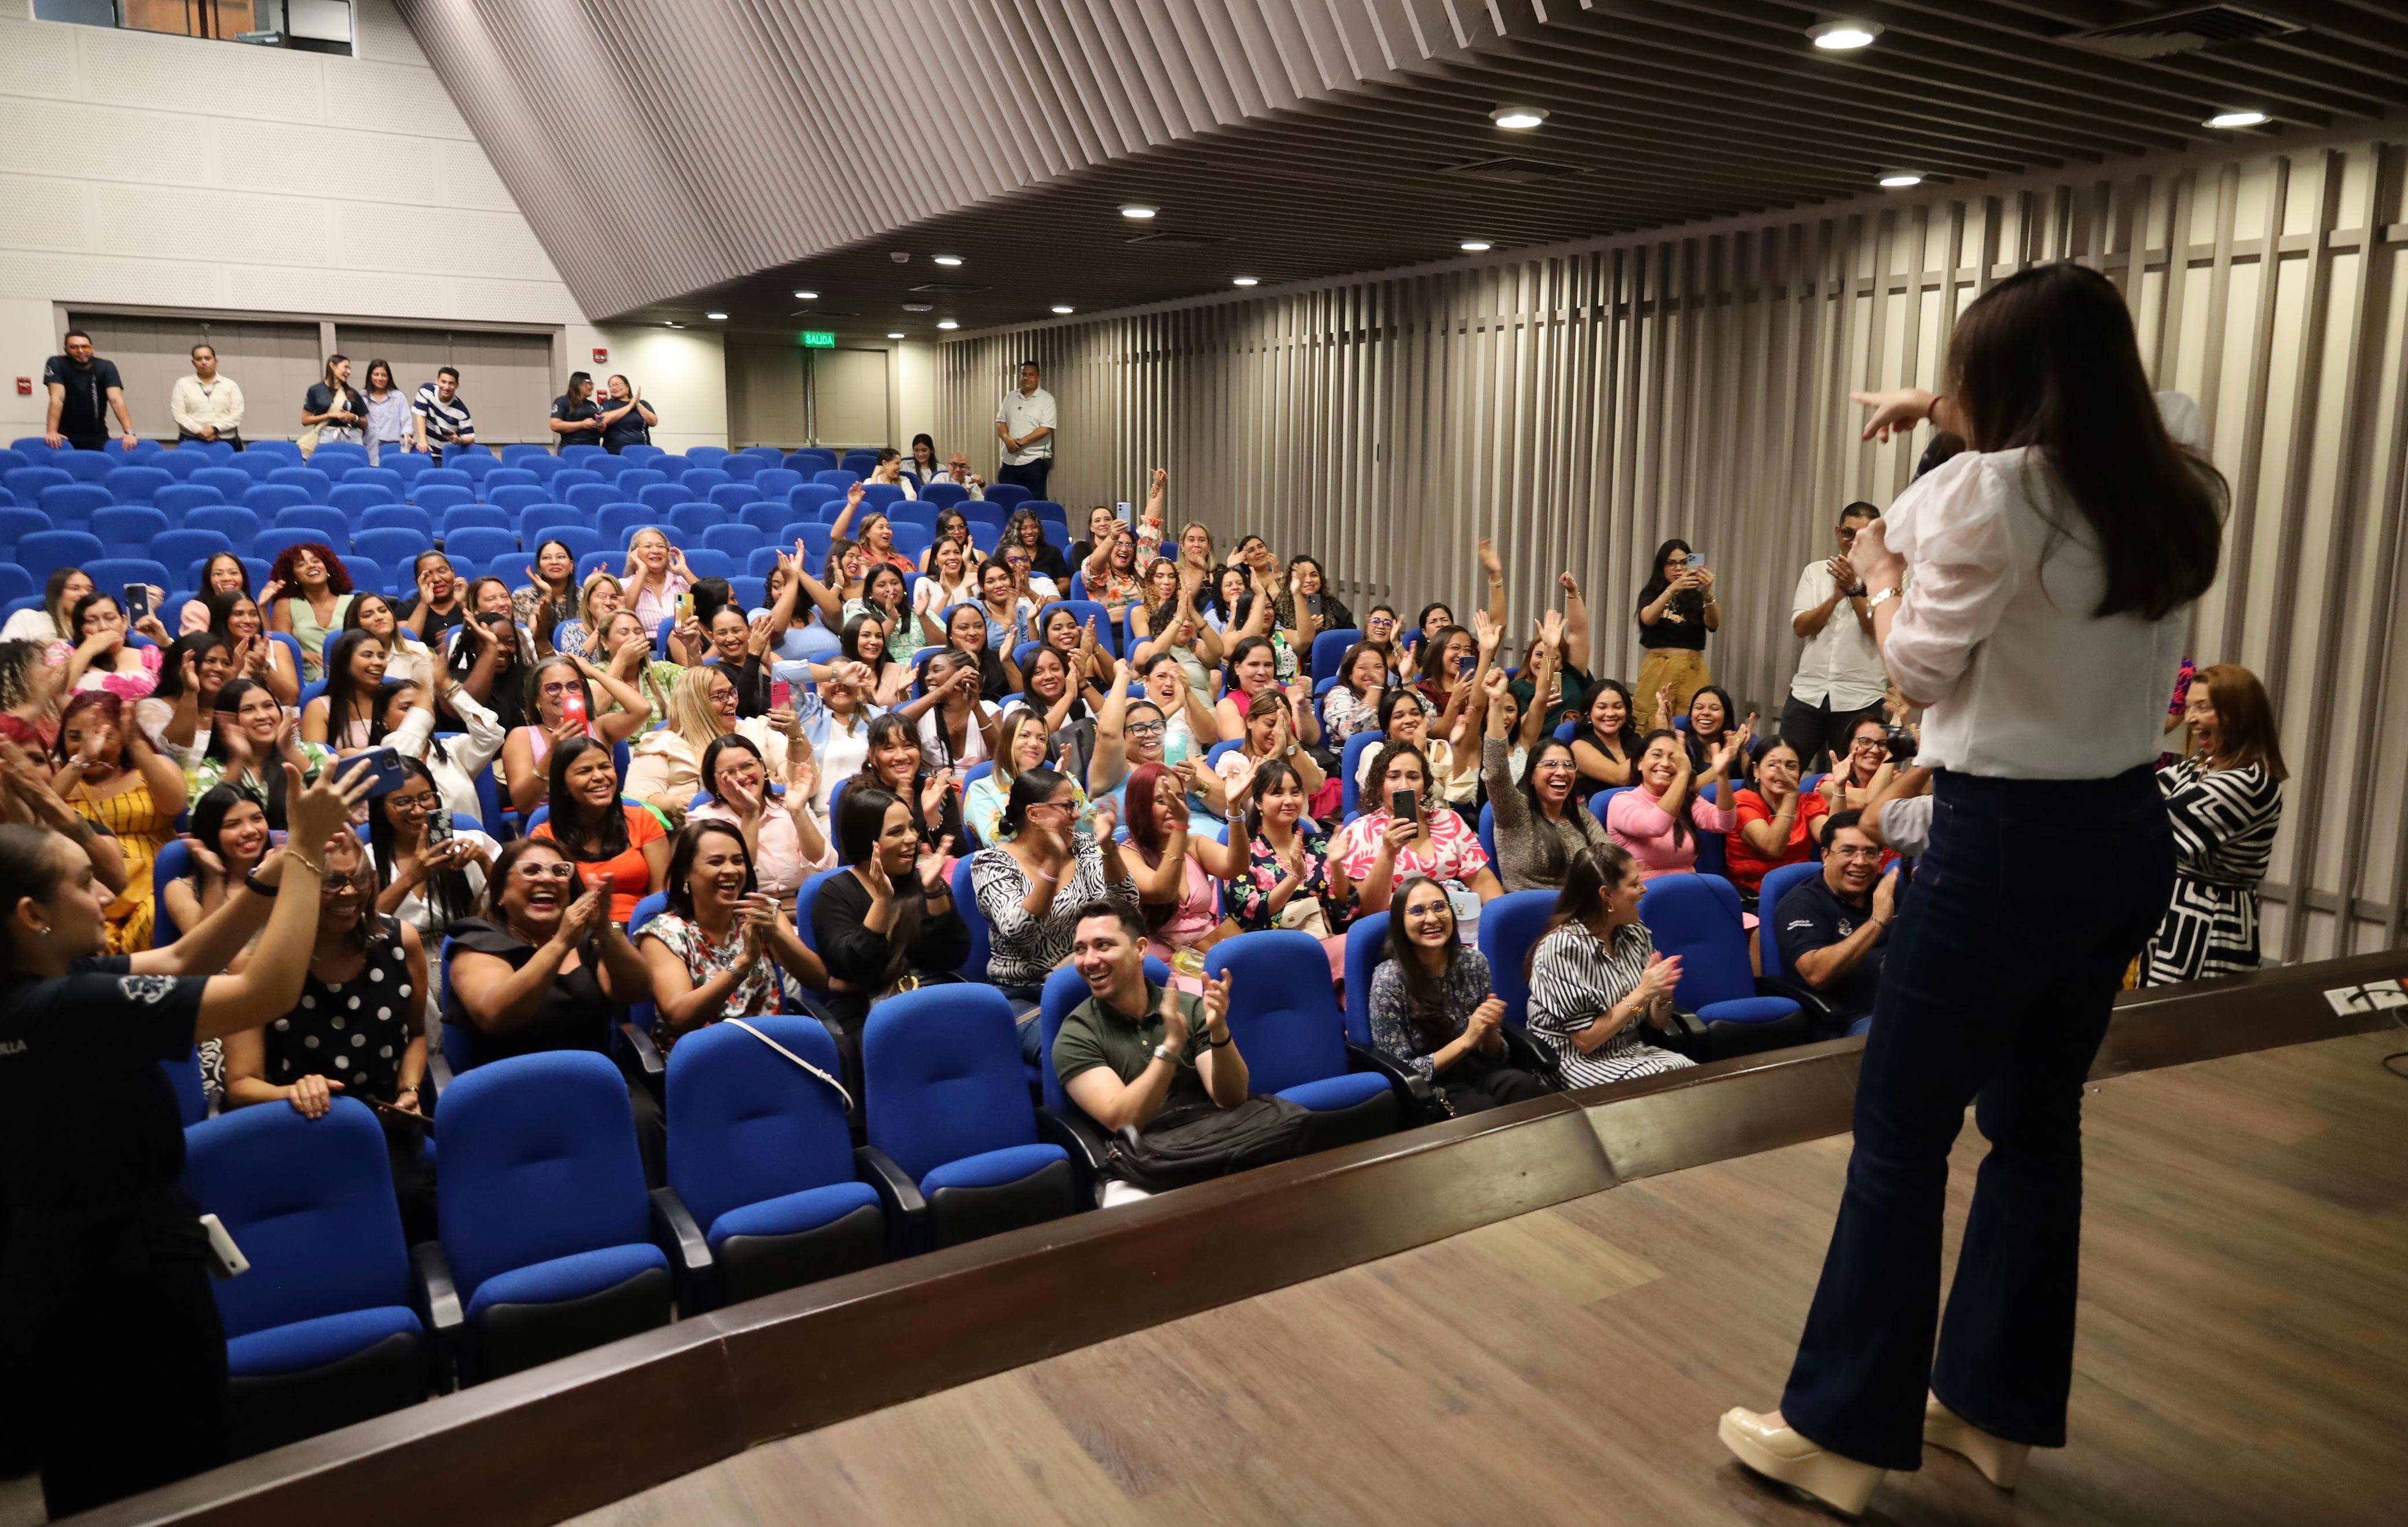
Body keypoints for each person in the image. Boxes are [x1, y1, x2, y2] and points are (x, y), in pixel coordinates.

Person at [1718, 263, 2229, 1515]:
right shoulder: (2169, 479)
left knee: (1900, 1133)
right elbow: (2136, 397)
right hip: (2121, 832)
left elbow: (1923, 676)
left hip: (1998, 836)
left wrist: (1880, 568)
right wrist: (1939, 401)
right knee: (2036, 1125)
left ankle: (1835, 1429)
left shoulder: (1986, 496)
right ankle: (1990, 1407)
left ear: (2003, 388)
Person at [0, 752, 366, 1517]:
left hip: (47, 1268)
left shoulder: (40, 994)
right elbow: (267, 990)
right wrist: (305, 854)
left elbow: (176, 957)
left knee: (92, 1470)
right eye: (80, 881)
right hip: (124, 1272)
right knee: (178, 1470)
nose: (105, 891)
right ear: (32, 916)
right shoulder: (70, 1011)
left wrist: (269, 874)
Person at [221, 830, 434, 1242]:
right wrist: (296, 1093)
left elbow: (416, 1036)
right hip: (299, 1125)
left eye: (360, 878)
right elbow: (240, 1086)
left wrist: (409, 1088)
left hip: (382, 1120)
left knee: (409, 1203)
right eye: (333, 882)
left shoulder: (399, 941)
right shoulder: (257, 963)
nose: (351, 892)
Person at [441, 838, 660, 1173]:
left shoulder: (590, 940)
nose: (547, 878)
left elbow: (637, 991)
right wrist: (559, 943)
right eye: (531, 870)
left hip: (596, 1085)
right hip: (514, 1094)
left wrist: (605, 929)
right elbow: (495, 1015)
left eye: (560, 872)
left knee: (643, 1116)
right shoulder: (477, 943)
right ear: (500, 892)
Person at [1056, 901, 1247, 1206]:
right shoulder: (1075, 1034)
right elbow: (1125, 1120)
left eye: (1103, 945)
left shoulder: (1188, 1006)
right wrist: (1170, 1047)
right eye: (1080, 949)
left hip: (1214, 1137)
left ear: (1141, 948)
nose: (1089, 960)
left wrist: (1219, 1031)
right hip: (1144, 1163)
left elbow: (1231, 1098)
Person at [2139, 662, 2285, 985]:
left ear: (2239, 713)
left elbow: (2151, 828)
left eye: (2203, 707)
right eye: (2189, 707)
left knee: (2185, 1024)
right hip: (2173, 914)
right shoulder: (2198, 768)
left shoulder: (2252, 782)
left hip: (2211, 922)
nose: (2190, 719)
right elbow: (2134, 797)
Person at [812, 784, 968, 1081]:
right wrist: (883, 901)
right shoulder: (834, 893)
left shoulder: (923, 881)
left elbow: (953, 955)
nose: (911, 838)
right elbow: (858, 968)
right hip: (866, 1013)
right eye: (896, 832)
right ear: (868, 842)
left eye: (912, 827)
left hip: (929, 999)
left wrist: (935, 893)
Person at [636, 820, 827, 1056]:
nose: (731, 870)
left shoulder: (762, 914)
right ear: (686, 872)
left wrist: (776, 933)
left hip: (772, 1050)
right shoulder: (664, 933)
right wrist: (744, 962)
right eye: (716, 862)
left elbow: (817, 980)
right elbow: (680, 1017)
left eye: (738, 861)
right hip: (704, 1060)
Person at [1368, 876, 1552, 1112]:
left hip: (1480, 1071)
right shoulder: (1388, 980)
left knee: (1526, 1088)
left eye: (1439, 907)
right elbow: (1403, 1072)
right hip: (1432, 1088)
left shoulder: (1473, 962)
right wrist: (1466, 1040)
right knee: (1484, 1114)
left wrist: (1488, 1032)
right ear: (1400, 923)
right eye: (1417, 911)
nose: (1432, 918)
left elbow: (1495, 1055)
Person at [971, 768, 1135, 1028]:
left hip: (1090, 981)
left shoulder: (1084, 846)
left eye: (1076, 805)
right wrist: (1053, 865)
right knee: (1084, 1050)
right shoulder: (992, 863)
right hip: (1026, 997)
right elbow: (1020, 931)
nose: (1077, 815)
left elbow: (1126, 906)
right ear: (1034, 814)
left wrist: (1107, 849)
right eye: (1067, 807)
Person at [1525, 845, 1697, 1088]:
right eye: (1635, 884)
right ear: (1607, 895)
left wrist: (1663, 996)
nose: (1644, 889)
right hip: (1571, 1061)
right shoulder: (1562, 948)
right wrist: (1643, 992)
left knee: (1694, 1077)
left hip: (1630, 1051)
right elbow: (1586, 1041)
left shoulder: (1634, 933)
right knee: (1662, 1089)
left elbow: (1657, 1023)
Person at [53, 692, 188, 951]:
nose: (90, 744)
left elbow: (175, 804)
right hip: (90, 889)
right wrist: (80, 761)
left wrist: (136, 742)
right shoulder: (62, 780)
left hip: (153, 884)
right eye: (74, 737)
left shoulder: (152, 767)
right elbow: (42, 811)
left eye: (103, 735)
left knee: (157, 914)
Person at [1332, 739, 1502, 916]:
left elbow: (1481, 881)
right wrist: (1388, 853)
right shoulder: (1360, 831)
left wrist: (1500, 918)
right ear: (1380, 784)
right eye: (1393, 777)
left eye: (1413, 777)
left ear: (1425, 784)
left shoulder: (1449, 819)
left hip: (1454, 920)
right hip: (1396, 928)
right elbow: (1368, 911)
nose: (1404, 786)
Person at [1481, 669, 1613, 893]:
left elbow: (1610, 861)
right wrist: (1495, 702)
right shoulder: (1514, 811)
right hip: (1529, 914)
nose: (1561, 772)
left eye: (1568, 765)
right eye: (1551, 765)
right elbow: (1495, 771)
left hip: (1579, 912)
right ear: (1531, 776)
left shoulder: (1580, 815)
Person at [1782, 502, 1888, 769]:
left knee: (1855, 780)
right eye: (1848, 533)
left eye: (1863, 536)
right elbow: (1801, 628)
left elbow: (1880, 631)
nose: (1854, 542)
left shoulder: (1890, 577)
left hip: (1860, 696)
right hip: (1809, 693)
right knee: (1784, 770)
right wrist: (1835, 598)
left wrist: (1854, 590)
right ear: (1838, 531)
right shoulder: (1815, 572)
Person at [1773, 810, 1896, 1038]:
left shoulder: (1888, 889)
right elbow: (1817, 974)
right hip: (1855, 1019)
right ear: (1826, 855)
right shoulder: (1801, 903)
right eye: (1848, 851)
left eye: (1870, 852)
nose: (1860, 862)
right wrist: (1877, 921)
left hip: (1909, 1002)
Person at [1121, 762, 1244, 989]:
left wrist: (1234, 809)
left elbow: (1235, 866)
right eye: (1161, 800)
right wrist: (1180, 827)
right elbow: (1162, 891)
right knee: (1219, 996)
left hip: (1211, 951)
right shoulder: (1127, 855)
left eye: (1178, 797)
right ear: (1140, 806)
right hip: (1165, 967)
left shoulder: (1193, 845)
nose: (1173, 805)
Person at [1225, 759, 1350, 979]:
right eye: (1277, 793)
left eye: (1295, 792)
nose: (1289, 801)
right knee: (1353, 949)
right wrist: (1295, 877)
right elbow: (1251, 914)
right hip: (1273, 952)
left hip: (1325, 942)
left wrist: (1337, 865)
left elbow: (1342, 907)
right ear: (1259, 803)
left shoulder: (1317, 843)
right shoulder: (1245, 854)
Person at [527, 736, 670, 924]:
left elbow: (661, 896)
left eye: (605, 767)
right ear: (563, 785)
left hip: (643, 929)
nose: (599, 776)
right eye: (585, 771)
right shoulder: (544, 837)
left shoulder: (644, 820)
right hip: (579, 932)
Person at [622, 663, 790, 821]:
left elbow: (800, 782)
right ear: (696, 705)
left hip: (772, 821)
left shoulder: (758, 728)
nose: (732, 701)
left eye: (733, 692)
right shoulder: (663, 744)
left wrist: (797, 736)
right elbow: (634, 797)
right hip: (702, 834)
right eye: (721, 696)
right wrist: (673, 803)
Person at [368, 757, 498, 945]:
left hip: (464, 958)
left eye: (425, 797)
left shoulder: (473, 842)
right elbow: (361, 929)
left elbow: (512, 909)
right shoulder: (368, 859)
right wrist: (411, 877)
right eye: (403, 802)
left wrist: (485, 862)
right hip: (399, 962)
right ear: (382, 807)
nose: (418, 810)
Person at [689, 732, 830, 899]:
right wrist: (750, 813)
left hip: (807, 907)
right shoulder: (703, 821)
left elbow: (827, 869)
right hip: (743, 914)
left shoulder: (791, 805)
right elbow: (735, 883)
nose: (741, 777)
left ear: (763, 767)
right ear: (714, 783)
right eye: (729, 772)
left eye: (747, 766)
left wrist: (798, 813)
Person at [1605, 727, 1744, 881]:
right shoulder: (1621, 801)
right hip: (1641, 896)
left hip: (1688, 890)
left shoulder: (1688, 800)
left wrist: (1722, 774)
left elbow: (1724, 823)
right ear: (1640, 763)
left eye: (1674, 759)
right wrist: (1684, 774)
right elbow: (1654, 826)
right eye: (1657, 755)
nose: (1665, 763)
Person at [190, 678, 331, 830]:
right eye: (248, 710)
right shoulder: (212, 768)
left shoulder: (312, 752)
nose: (263, 716)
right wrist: (238, 759)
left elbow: (333, 803)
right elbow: (203, 824)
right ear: (229, 720)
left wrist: (289, 750)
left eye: (268, 706)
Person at [158, 784, 271, 952]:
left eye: (257, 819)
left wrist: (271, 879)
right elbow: (204, 952)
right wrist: (214, 876)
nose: (250, 830)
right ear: (210, 833)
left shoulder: (282, 875)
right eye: (233, 825)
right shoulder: (181, 889)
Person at [1727, 736, 1833, 900]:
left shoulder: (1807, 802)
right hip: (1756, 896)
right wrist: (1791, 796)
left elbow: (1832, 838)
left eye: (1790, 766)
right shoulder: (1743, 801)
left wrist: (1839, 786)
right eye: (1773, 765)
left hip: (1804, 889)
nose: (1783, 772)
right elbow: (1773, 849)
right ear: (1756, 770)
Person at [1634, 538, 1717, 722]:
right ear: (1661, 567)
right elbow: (1648, 618)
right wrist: (1672, 590)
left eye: (1684, 563)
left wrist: (1708, 594)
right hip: (1659, 666)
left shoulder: (1697, 595)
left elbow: (1713, 624)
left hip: (1692, 667)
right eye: (1671, 563)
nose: (1678, 568)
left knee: (1693, 720)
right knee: (1651, 720)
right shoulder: (1652, 592)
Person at [857, 712, 962, 851]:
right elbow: (862, 861)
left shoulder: (936, 789)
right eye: (889, 748)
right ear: (873, 756)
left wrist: (932, 817)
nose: (901, 756)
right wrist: (900, 806)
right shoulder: (859, 797)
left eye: (908, 746)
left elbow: (961, 855)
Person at [263, 543, 355, 682]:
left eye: (316, 561)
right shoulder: (285, 605)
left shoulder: (353, 602)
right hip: (310, 681)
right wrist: (306, 655)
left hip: (352, 674)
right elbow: (278, 648)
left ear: (327, 568)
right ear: (293, 577)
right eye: (301, 564)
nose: (311, 566)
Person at [201, 590, 299, 708]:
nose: (248, 621)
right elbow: (211, 703)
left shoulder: (278, 647)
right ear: (223, 619)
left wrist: (264, 668)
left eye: (253, 614)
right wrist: (236, 669)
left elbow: (291, 699)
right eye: (238, 614)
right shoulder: (211, 653)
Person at [42, 329, 135, 452]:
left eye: (85, 347)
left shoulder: (106, 367)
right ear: (66, 350)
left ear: (92, 349)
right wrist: (52, 432)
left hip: (97, 435)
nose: (81, 351)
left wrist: (130, 433)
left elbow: (116, 399)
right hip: (64, 437)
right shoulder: (56, 363)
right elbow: (57, 398)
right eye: (74, 347)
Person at [63, 589, 167, 699]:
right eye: (91, 621)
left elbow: (175, 695)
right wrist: (89, 649)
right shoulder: (63, 653)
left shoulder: (150, 655)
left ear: (124, 623)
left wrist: (165, 643)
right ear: (79, 629)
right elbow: (58, 691)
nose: (103, 627)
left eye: (110, 618)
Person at [993, 358, 1057, 499]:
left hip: (1034, 461)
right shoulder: (1011, 397)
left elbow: (1046, 429)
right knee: (1006, 501)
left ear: (1038, 378)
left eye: (1031, 374)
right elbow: (1001, 422)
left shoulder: (1047, 399)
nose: (1027, 378)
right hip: (1010, 460)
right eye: (1024, 374)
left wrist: (1020, 443)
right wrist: (1007, 440)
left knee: (1032, 505)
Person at [1818, 713, 1896, 815]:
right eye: (1866, 741)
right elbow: (1868, 801)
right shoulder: (1830, 784)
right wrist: (1894, 751)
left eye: (1883, 744)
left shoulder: (1896, 778)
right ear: (1848, 745)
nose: (1875, 750)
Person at [169, 342, 243, 450]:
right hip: (192, 438)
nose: (203, 362)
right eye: (199, 359)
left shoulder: (230, 385)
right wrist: (199, 431)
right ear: (193, 363)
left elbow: (237, 414)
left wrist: (215, 429)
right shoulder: (182, 384)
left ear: (216, 361)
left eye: (207, 358)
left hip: (225, 439)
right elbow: (179, 414)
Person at [622, 527, 694, 634]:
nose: (656, 551)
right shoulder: (624, 585)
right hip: (645, 647)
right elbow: (624, 613)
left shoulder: (682, 582)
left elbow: (711, 605)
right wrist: (642, 571)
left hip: (684, 643)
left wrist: (685, 570)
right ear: (634, 554)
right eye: (648, 546)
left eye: (661, 546)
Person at [0, 638, 65, 752]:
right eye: (42, 662)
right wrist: (36, 704)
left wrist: (60, 695)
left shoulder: (49, 719)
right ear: (17, 676)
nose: (52, 668)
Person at [396, 550, 468, 649]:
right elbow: (405, 645)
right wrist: (424, 603)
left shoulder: (471, 600)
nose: (437, 579)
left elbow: (486, 636)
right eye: (428, 575)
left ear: (453, 573)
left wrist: (465, 603)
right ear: (418, 581)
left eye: (442, 571)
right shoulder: (406, 608)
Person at [2, 567, 92, 646]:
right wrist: (44, 646)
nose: (85, 594)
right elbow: (5, 655)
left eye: (90, 590)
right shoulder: (27, 618)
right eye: (74, 588)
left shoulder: (100, 625)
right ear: (57, 594)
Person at [512, 539, 582, 636]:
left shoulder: (584, 597)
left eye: (561, 557)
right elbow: (528, 640)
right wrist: (547, 595)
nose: (554, 562)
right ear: (539, 567)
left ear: (571, 566)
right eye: (547, 558)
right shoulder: (522, 597)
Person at [300, 354, 366, 452]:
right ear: (333, 366)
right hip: (327, 436)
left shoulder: (352, 393)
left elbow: (365, 423)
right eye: (346, 367)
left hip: (352, 437)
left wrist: (353, 417)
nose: (349, 372)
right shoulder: (316, 390)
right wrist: (329, 415)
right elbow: (305, 420)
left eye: (350, 369)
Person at [410, 365, 474, 461]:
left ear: (457, 385)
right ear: (437, 381)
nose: (447, 387)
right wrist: (423, 440)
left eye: (451, 383)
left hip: (447, 456)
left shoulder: (461, 411)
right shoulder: (426, 391)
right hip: (426, 451)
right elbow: (420, 416)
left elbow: (471, 438)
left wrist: (459, 440)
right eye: (443, 382)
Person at [361, 359, 412, 465]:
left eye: (384, 375)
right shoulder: (362, 396)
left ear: (389, 378)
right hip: (368, 449)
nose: (380, 378)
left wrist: (407, 436)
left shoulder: (399, 397)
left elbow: (407, 423)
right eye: (376, 374)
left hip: (392, 450)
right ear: (370, 376)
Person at [1003, 507, 1070, 582]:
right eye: (1024, 528)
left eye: (1034, 527)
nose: (1030, 532)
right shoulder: (1005, 553)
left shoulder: (1053, 552)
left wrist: (1049, 591)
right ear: (1016, 532)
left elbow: (1065, 583)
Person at [597, 374, 658, 454]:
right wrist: (630, 406)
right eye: (611, 386)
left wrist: (637, 404)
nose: (615, 388)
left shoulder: (643, 404)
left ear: (627, 387)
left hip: (642, 449)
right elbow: (605, 419)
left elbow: (653, 422)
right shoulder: (607, 404)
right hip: (615, 452)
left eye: (617, 384)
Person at [549, 370, 604, 450]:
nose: (592, 387)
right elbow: (555, 425)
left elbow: (598, 430)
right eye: (589, 383)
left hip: (594, 448)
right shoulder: (563, 401)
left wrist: (600, 427)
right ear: (579, 384)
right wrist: (582, 424)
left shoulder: (592, 404)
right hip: (573, 448)